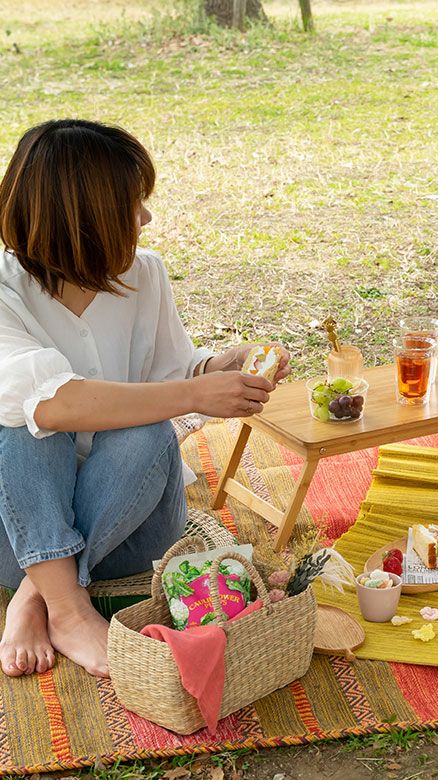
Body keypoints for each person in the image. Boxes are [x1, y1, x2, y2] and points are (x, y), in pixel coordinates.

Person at [0, 119, 291, 679]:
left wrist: (216, 368)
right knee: (24, 424)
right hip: (17, 533)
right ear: (83, 219)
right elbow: (52, 404)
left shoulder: (145, 274)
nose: (147, 218)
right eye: (132, 205)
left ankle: (38, 596)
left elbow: (171, 374)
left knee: (151, 429)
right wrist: (194, 392)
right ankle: (67, 608)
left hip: (132, 534)